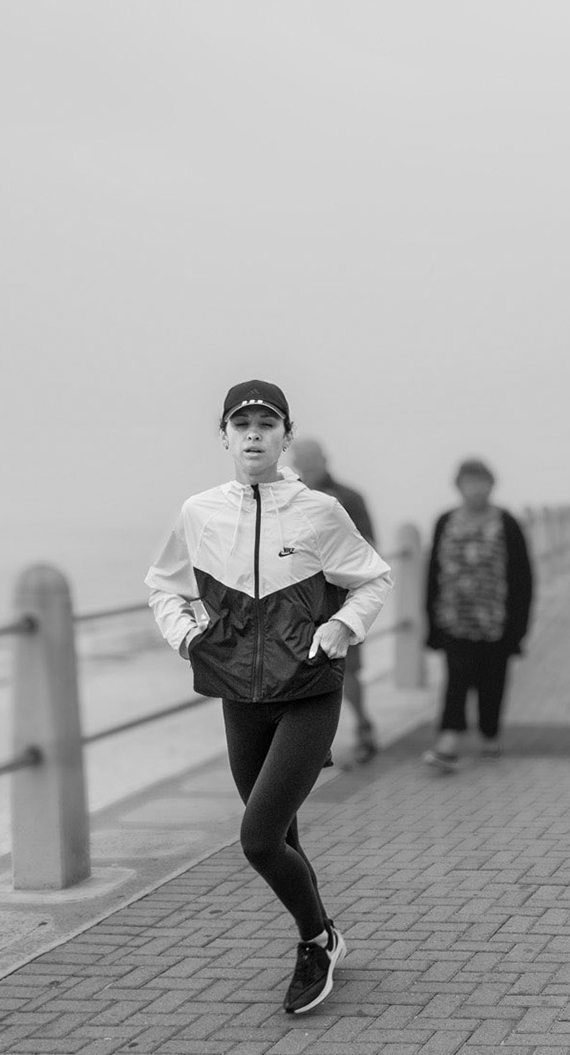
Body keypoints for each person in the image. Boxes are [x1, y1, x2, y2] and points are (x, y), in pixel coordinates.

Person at [146, 379, 392, 1015]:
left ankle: (317, 942)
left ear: (286, 436)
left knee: (258, 839)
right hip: (240, 697)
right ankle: (323, 933)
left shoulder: (319, 511)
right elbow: (163, 586)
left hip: (310, 689)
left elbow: (372, 579)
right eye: (242, 425)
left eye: (266, 424)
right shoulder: (200, 512)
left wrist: (341, 628)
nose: (253, 435)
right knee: (283, 833)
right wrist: (185, 638)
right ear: (224, 437)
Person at [423, 458, 534, 769]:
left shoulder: (507, 523)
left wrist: (519, 628)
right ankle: (449, 739)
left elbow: (523, 578)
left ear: (492, 485)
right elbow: (432, 573)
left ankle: (490, 735)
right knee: (456, 680)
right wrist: (430, 622)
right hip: (454, 619)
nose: (475, 489)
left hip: (495, 621)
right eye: (469, 483)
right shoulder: (445, 521)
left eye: (481, 482)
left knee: (493, 681)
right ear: (458, 486)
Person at [290, 437, 381, 765]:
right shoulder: (288, 498)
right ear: (295, 464)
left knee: (347, 671)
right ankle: (313, 743)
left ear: (326, 460)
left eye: (313, 460)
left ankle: (364, 728)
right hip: (298, 602)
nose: (309, 467)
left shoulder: (349, 498)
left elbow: (369, 547)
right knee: (303, 673)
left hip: (341, 600)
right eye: (303, 461)